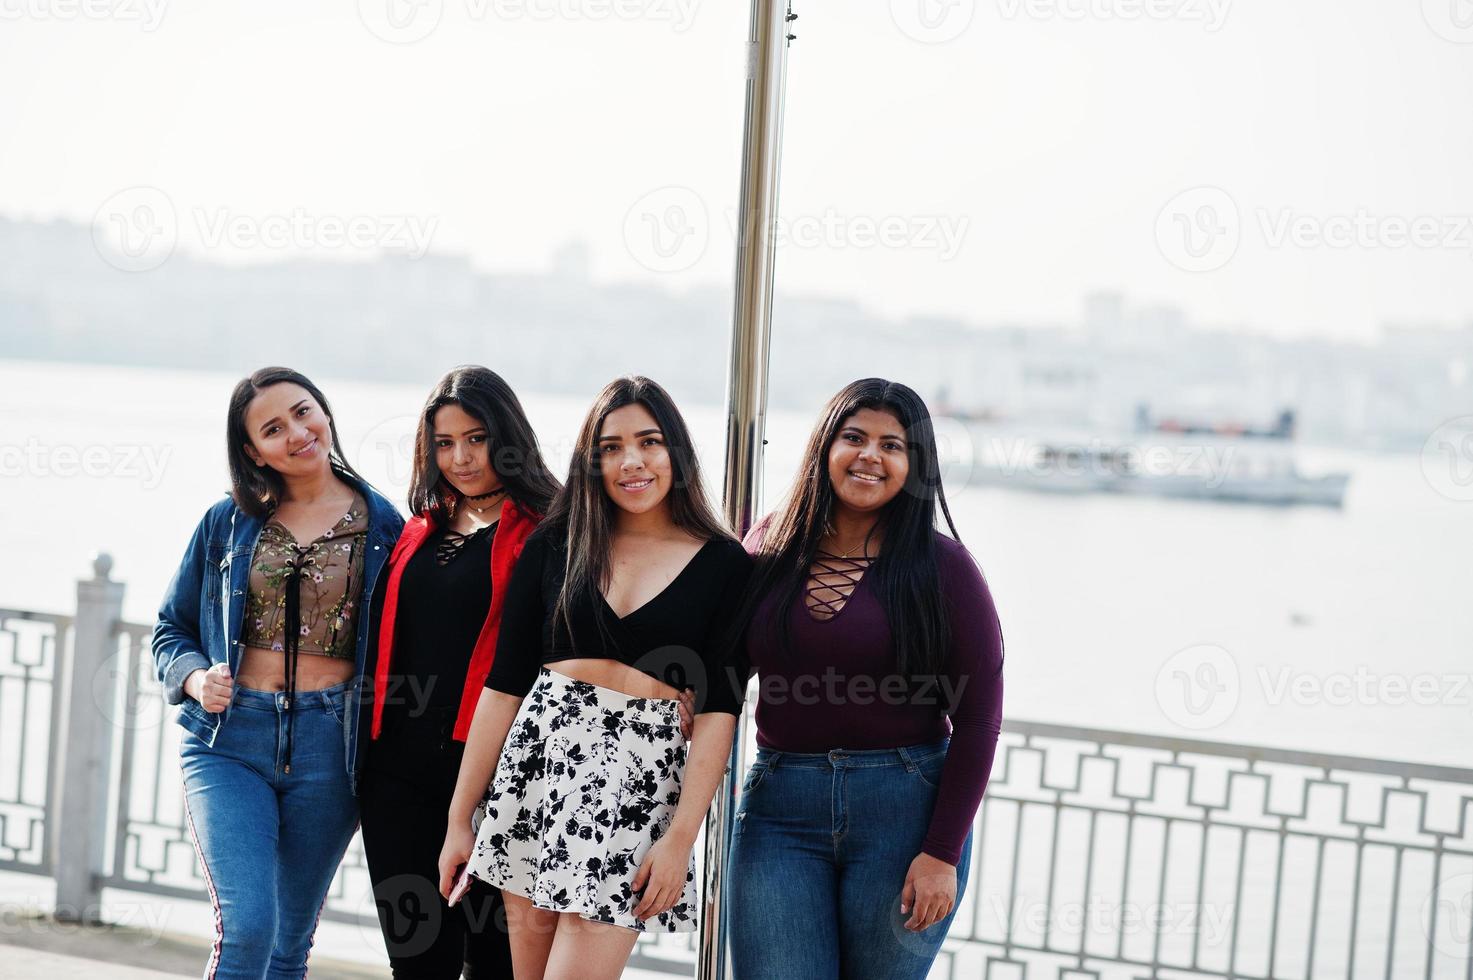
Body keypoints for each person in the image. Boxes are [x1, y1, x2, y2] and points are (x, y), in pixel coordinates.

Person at [438, 376, 752, 980]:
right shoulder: (557, 542)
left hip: (636, 785)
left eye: (649, 442)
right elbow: (503, 688)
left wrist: (681, 838)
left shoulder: (724, 563)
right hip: (537, 769)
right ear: (592, 461)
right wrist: (460, 818)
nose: (631, 461)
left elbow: (720, 710)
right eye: (610, 447)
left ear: (676, 452)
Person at [725, 377, 1005, 980]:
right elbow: (719, 673)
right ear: (825, 447)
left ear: (916, 465)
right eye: (854, 437)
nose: (870, 455)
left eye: (892, 444)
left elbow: (979, 719)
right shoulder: (769, 547)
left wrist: (941, 854)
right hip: (780, 810)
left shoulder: (945, 569)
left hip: (905, 814)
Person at [153, 366, 405, 979]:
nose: (296, 432)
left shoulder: (385, 528)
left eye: (303, 411)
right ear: (252, 450)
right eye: (272, 428)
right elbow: (171, 629)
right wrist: (193, 680)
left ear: (324, 410)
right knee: (247, 931)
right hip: (227, 741)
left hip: (331, 749)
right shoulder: (226, 522)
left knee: (289, 946)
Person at [357, 365, 558, 978]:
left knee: (494, 965)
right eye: (444, 443)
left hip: (496, 779)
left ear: (508, 436)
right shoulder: (420, 528)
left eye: (476, 438)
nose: (461, 458)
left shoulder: (552, 532)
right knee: (416, 965)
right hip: (394, 777)